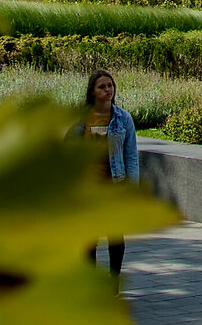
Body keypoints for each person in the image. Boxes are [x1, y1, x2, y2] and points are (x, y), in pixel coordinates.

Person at [75, 70, 138, 275]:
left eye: (110, 86)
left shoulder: (123, 119)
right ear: (92, 91)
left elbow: (131, 156)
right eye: (102, 87)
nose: (107, 90)